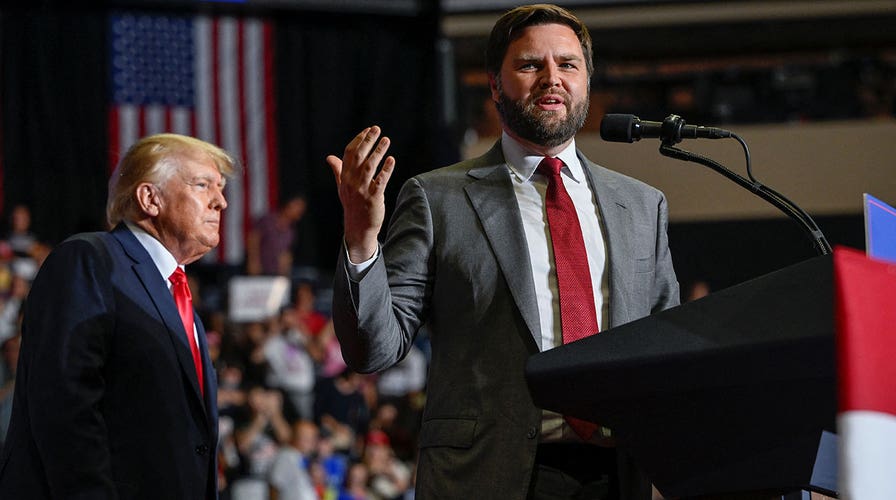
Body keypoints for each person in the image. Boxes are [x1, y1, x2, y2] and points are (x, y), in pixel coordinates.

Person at [326, 4, 679, 500]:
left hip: (621, 476)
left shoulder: (642, 205)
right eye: (531, 65)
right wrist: (362, 240)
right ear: (495, 85)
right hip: (488, 476)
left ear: (587, 82)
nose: (552, 78)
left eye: (568, 64)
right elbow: (374, 349)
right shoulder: (437, 197)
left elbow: (668, 350)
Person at [0, 133, 234, 499]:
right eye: (203, 185)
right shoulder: (90, 260)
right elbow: (66, 408)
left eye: (220, 188)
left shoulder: (179, 298)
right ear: (149, 198)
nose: (220, 201)